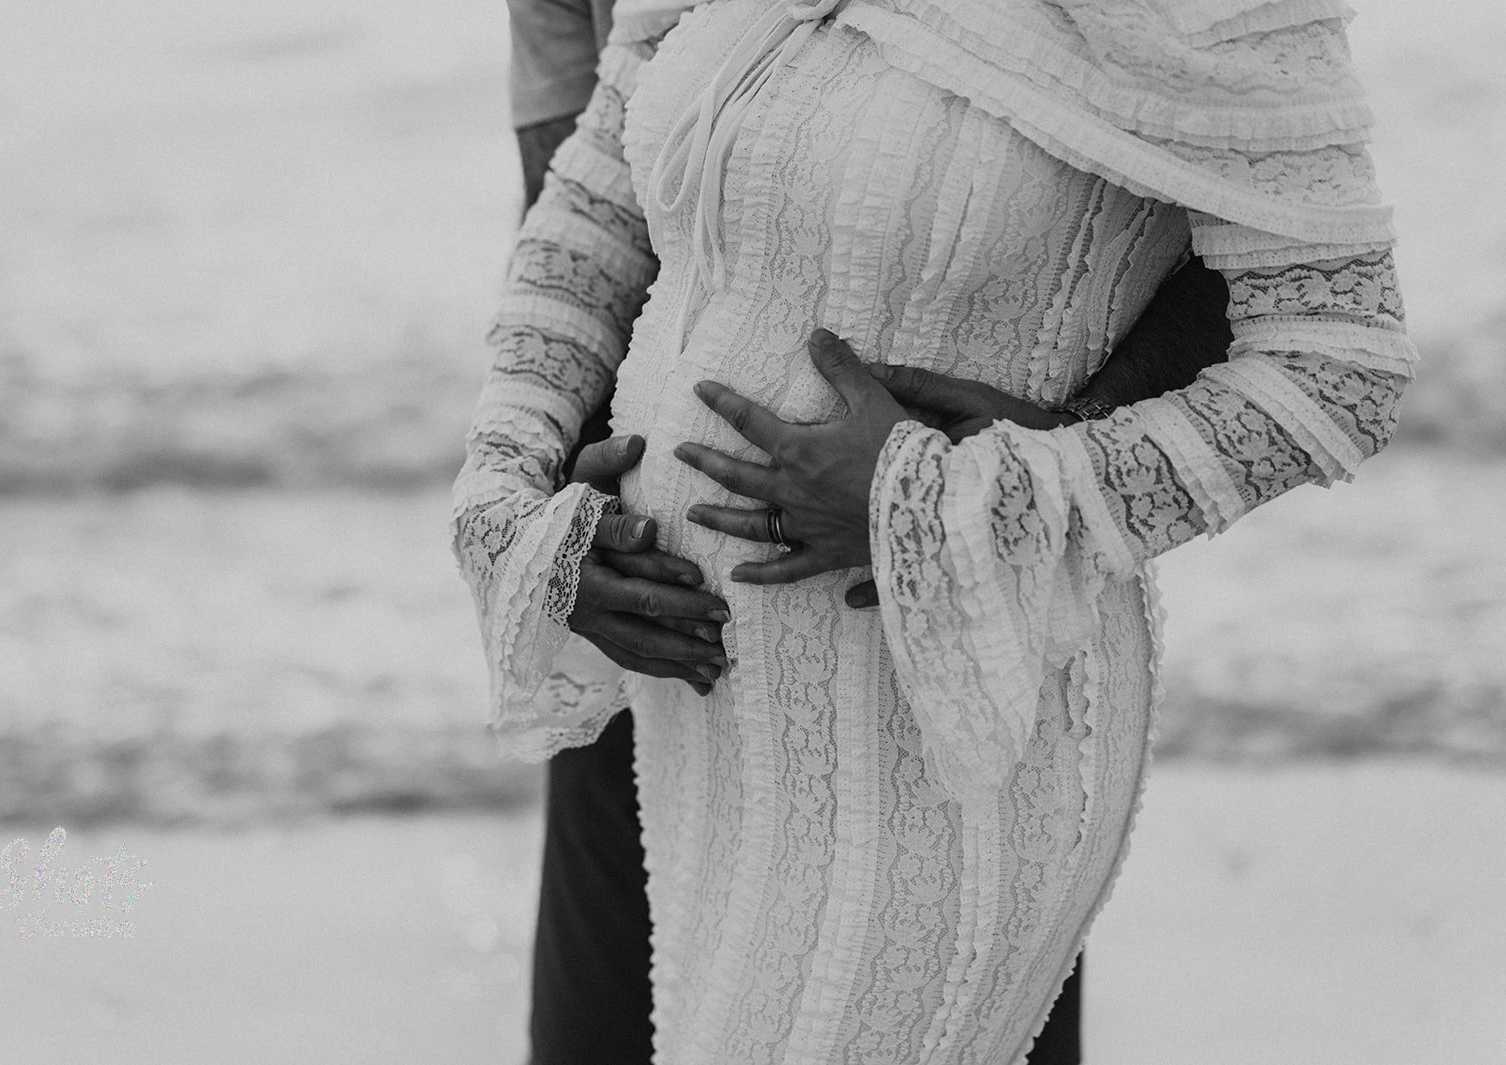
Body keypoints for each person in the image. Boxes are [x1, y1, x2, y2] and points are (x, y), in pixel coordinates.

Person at [461, 0, 1413, 1061]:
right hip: (703, 727)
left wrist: (965, 499)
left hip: (940, 721)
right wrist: (506, 500)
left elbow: (1339, 367)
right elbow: (588, 218)